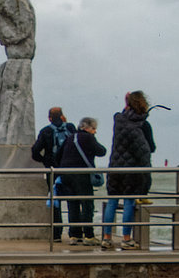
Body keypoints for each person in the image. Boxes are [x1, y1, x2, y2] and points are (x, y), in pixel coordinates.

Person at [103, 91, 156, 250]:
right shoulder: (141, 124)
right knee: (128, 202)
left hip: (115, 166)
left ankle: (106, 238)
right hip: (131, 169)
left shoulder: (118, 120)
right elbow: (148, 149)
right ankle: (126, 238)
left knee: (112, 201)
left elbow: (125, 113)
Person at [31, 107, 77, 242]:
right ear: (62, 116)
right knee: (72, 201)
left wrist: (45, 160)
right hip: (70, 170)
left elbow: (35, 151)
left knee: (55, 202)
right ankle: (74, 234)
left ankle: (57, 234)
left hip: (53, 170)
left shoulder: (46, 131)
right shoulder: (70, 128)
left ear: (49, 117)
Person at [57, 117, 106, 246]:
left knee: (72, 204)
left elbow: (58, 155)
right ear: (86, 128)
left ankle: (74, 235)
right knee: (87, 204)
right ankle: (88, 235)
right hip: (82, 175)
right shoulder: (88, 138)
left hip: (66, 174)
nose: (95, 131)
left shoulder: (70, 137)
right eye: (93, 128)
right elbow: (102, 151)